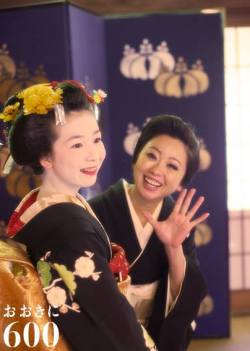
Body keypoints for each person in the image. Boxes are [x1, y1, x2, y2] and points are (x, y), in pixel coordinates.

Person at [0, 81, 156, 351]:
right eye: (76, 145)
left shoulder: (40, 205)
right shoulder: (70, 230)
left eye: (96, 139)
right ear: (46, 157)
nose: (94, 154)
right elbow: (109, 320)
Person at [89, 115, 209, 351]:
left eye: (172, 166)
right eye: (151, 155)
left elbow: (184, 295)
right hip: (105, 336)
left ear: (182, 181)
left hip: (154, 336)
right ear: (136, 157)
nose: (157, 170)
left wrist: (173, 247)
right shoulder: (96, 210)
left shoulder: (177, 220)